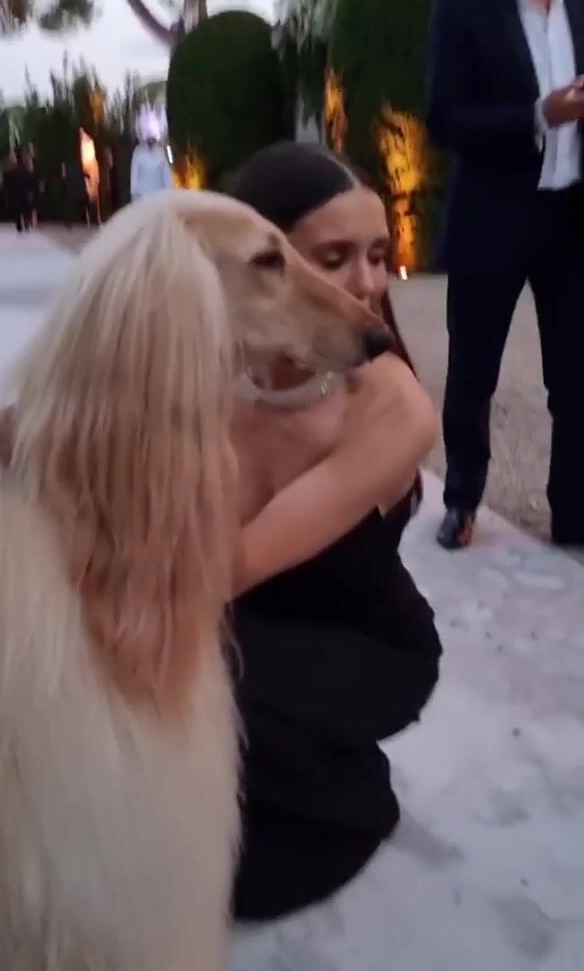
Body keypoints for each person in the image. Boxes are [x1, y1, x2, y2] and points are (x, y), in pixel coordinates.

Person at [228, 142, 442, 923]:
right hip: (241, 630)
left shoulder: (392, 408)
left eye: (378, 255)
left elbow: (231, 567)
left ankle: (350, 795)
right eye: (333, 257)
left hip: (366, 648)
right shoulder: (211, 367)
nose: (368, 282)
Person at [427, 0, 584, 551]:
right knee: (473, 374)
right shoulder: (463, 7)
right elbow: (444, 119)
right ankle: (461, 500)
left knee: (576, 379)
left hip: (572, 222)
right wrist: (539, 115)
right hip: (491, 218)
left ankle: (574, 515)